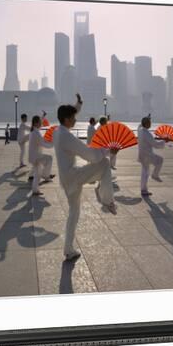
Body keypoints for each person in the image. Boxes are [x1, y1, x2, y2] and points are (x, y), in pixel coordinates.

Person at [54, 94, 118, 261]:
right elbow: (91, 156)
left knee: (74, 213)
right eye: (73, 118)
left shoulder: (57, 130)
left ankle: (68, 249)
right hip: (74, 176)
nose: (75, 120)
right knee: (104, 163)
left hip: (66, 179)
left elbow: (69, 112)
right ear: (67, 119)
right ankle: (107, 200)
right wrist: (109, 150)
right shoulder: (67, 136)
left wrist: (78, 105)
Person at [137, 116, 165, 196]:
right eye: (149, 122)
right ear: (146, 124)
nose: (150, 124)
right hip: (147, 155)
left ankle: (143, 189)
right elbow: (155, 144)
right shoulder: (146, 133)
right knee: (160, 160)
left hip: (142, 154)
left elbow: (139, 125)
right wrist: (163, 141)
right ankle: (155, 175)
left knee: (144, 172)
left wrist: (147, 117)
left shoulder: (140, 130)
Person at [28, 115, 55, 196]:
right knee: (49, 158)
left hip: (34, 156)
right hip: (36, 157)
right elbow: (44, 144)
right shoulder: (36, 132)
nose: (41, 123)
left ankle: (35, 190)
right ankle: (46, 175)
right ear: (36, 123)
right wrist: (53, 143)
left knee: (37, 174)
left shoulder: (34, 131)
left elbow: (42, 141)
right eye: (40, 122)